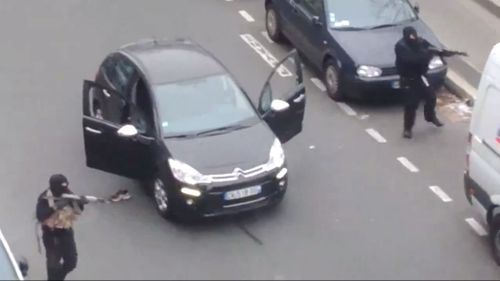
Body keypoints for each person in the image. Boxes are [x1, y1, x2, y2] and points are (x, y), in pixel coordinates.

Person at [395, 26, 466, 139]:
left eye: (415, 36)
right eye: (411, 37)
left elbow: (434, 49)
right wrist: (427, 55)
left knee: (431, 97)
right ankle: (407, 129)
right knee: (411, 105)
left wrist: (448, 53)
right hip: (408, 79)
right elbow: (412, 60)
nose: (414, 39)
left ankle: (430, 116)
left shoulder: (421, 42)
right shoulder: (401, 47)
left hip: (420, 76)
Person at [36, 174, 88, 281]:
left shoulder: (68, 194)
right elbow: (41, 215)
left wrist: (80, 203)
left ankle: (58, 278)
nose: (66, 190)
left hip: (66, 233)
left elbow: (78, 210)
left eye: (66, 187)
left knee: (71, 263)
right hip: (51, 236)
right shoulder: (45, 198)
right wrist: (56, 206)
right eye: (62, 188)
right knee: (53, 266)